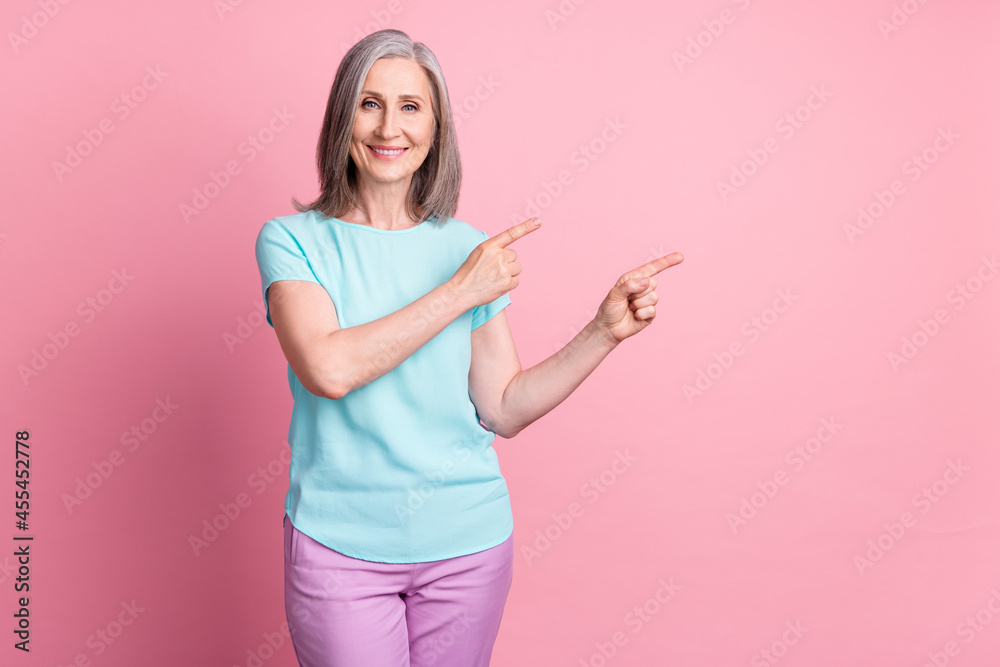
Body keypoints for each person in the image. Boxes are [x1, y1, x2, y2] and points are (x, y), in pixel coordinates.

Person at [254, 28, 683, 667]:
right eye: (368, 103)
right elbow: (329, 368)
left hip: (468, 546)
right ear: (342, 118)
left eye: (410, 106)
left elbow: (504, 409)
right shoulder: (292, 241)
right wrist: (460, 291)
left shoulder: (467, 247)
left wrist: (603, 332)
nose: (388, 127)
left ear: (436, 127)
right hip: (338, 547)